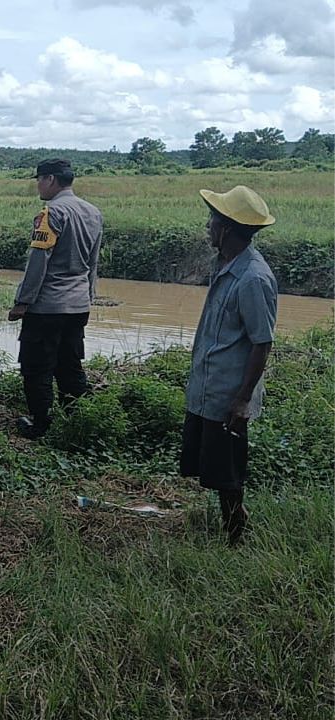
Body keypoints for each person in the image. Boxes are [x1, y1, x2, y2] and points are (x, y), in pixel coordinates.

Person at [180, 185, 277, 545]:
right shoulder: (224, 265)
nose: (207, 226)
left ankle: (236, 532)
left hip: (228, 391)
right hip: (209, 384)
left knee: (228, 470)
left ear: (226, 230)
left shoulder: (253, 278)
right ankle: (230, 521)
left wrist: (242, 399)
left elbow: (261, 342)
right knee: (213, 463)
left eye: (213, 220)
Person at [7, 158, 103, 439]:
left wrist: (22, 302)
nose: (37, 185)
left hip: (48, 307)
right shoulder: (93, 212)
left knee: (37, 368)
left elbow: (39, 260)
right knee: (70, 366)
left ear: (50, 179)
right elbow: (93, 263)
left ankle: (40, 427)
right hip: (78, 305)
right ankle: (78, 422)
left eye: (39, 179)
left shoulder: (51, 213)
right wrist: (88, 296)